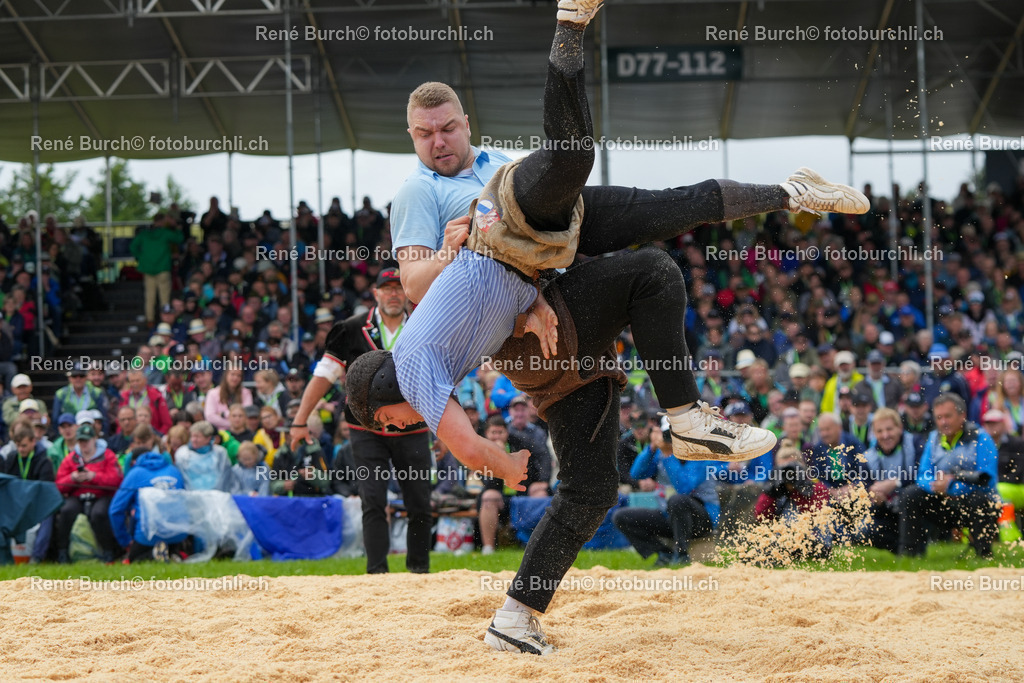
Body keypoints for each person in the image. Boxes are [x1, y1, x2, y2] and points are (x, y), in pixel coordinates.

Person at [353, 0, 863, 655]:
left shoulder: (493, 167)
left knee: (664, 215)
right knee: (616, 221)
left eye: (448, 128)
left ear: (465, 124)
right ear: (413, 139)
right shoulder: (418, 193)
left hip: (535, 260)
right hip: (504, 262)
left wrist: (525, 297)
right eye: (426, 135)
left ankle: (790, 193)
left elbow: (468, 420)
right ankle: (569, 25)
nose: (439, 141)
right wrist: (464, 254)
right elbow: (417, 284)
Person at [289, 267, 432, 575]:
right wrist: (300, 420)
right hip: (365, 427)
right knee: (373, 501)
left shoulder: (425, 322)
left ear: (407, 291)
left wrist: (447, 429)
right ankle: (376, 573)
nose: (394, 293)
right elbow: (324, 375)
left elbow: (442, 375)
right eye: (387, 288)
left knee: (420, 502)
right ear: (375, 293)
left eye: (398, 287)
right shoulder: (350, 328)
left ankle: (420, 573)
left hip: (415, 424)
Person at [897, 393, 1000, 558]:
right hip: (940, 500)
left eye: (948, 416)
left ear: (962, 415)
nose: (943, 422)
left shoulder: (981, 438)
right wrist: (936, 485)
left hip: (972, 503)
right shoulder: (933, 438)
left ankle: (984, 554)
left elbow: (988, 479)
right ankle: (909, 554)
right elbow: (922, 475)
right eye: (939, 417)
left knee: (980, 499)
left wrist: (952, 487)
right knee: (910, 495)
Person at [613, 419, 722, 566]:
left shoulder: (701, 454)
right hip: (669, 515)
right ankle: (663, 553)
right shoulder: (662, 452)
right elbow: (636, 474)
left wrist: (668, 456)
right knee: (621, 516)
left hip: (702, 519)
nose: (674, 439)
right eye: (669, 434)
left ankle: (682, 555)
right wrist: (651, 448)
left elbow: (684, 488)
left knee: (677, 500)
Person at [54, 423, 123, 563]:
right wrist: (72, 478)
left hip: (101, 495)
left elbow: (116, 480)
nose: (83, 444)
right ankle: (62, 552)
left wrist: (94, 477)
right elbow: (59, 485)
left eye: (86, 440)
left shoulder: (108, 456)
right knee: (66, 511)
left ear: (94, 439)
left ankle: (108, 552)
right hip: (77, 494)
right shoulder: (71, 458)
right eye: (80, 441)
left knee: (99, 513)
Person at [857, 408, 922, 553]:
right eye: (879, 431)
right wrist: (874, 496)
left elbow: (922, 473)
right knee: (863, 530)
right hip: (886, 510)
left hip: (914, 511)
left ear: (900, 428)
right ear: (874, 433)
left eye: (889, 429)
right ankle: (901, 550)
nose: (885, 435)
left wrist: (895, 482)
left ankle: (913, 547)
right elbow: (867, 488)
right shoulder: (867, 457)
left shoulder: (915, 443)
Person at [107, 443, 186, 563]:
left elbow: (115, 510)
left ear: (133, 461)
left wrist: (125, 541)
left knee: (134, 559)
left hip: (147, 535)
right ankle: (174, 552)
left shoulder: (136, 473)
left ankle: (152, 554)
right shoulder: (173, 470)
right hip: (178, 533)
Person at [130, 212, 184, 327]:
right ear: (163, 221)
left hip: (148, 268)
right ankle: (166, 320)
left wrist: (141, 258)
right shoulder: (165, 233)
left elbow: (133, 247)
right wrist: (176, 227)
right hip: (163, 268)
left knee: (150, 297)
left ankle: (150, 320)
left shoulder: (144, 234)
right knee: (164, 297)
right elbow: (180, 239)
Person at [174, 421, 234, 492]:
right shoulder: (183, 453)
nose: (193, 440)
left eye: (197, 436)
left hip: (216, 497)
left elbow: (224, 477)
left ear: (208, 438)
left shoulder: (220, 453)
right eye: (192, 436)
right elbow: (183, 479)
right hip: (192, 497)